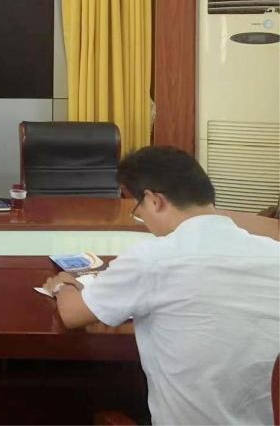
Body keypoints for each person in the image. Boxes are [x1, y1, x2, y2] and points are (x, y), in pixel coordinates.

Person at [42, 146, 280, 425]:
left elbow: (72, 315)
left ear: (154, 200)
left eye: (138, 209)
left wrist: (63, 285)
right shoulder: (273, 253)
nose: (143, 220)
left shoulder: (152, 258)